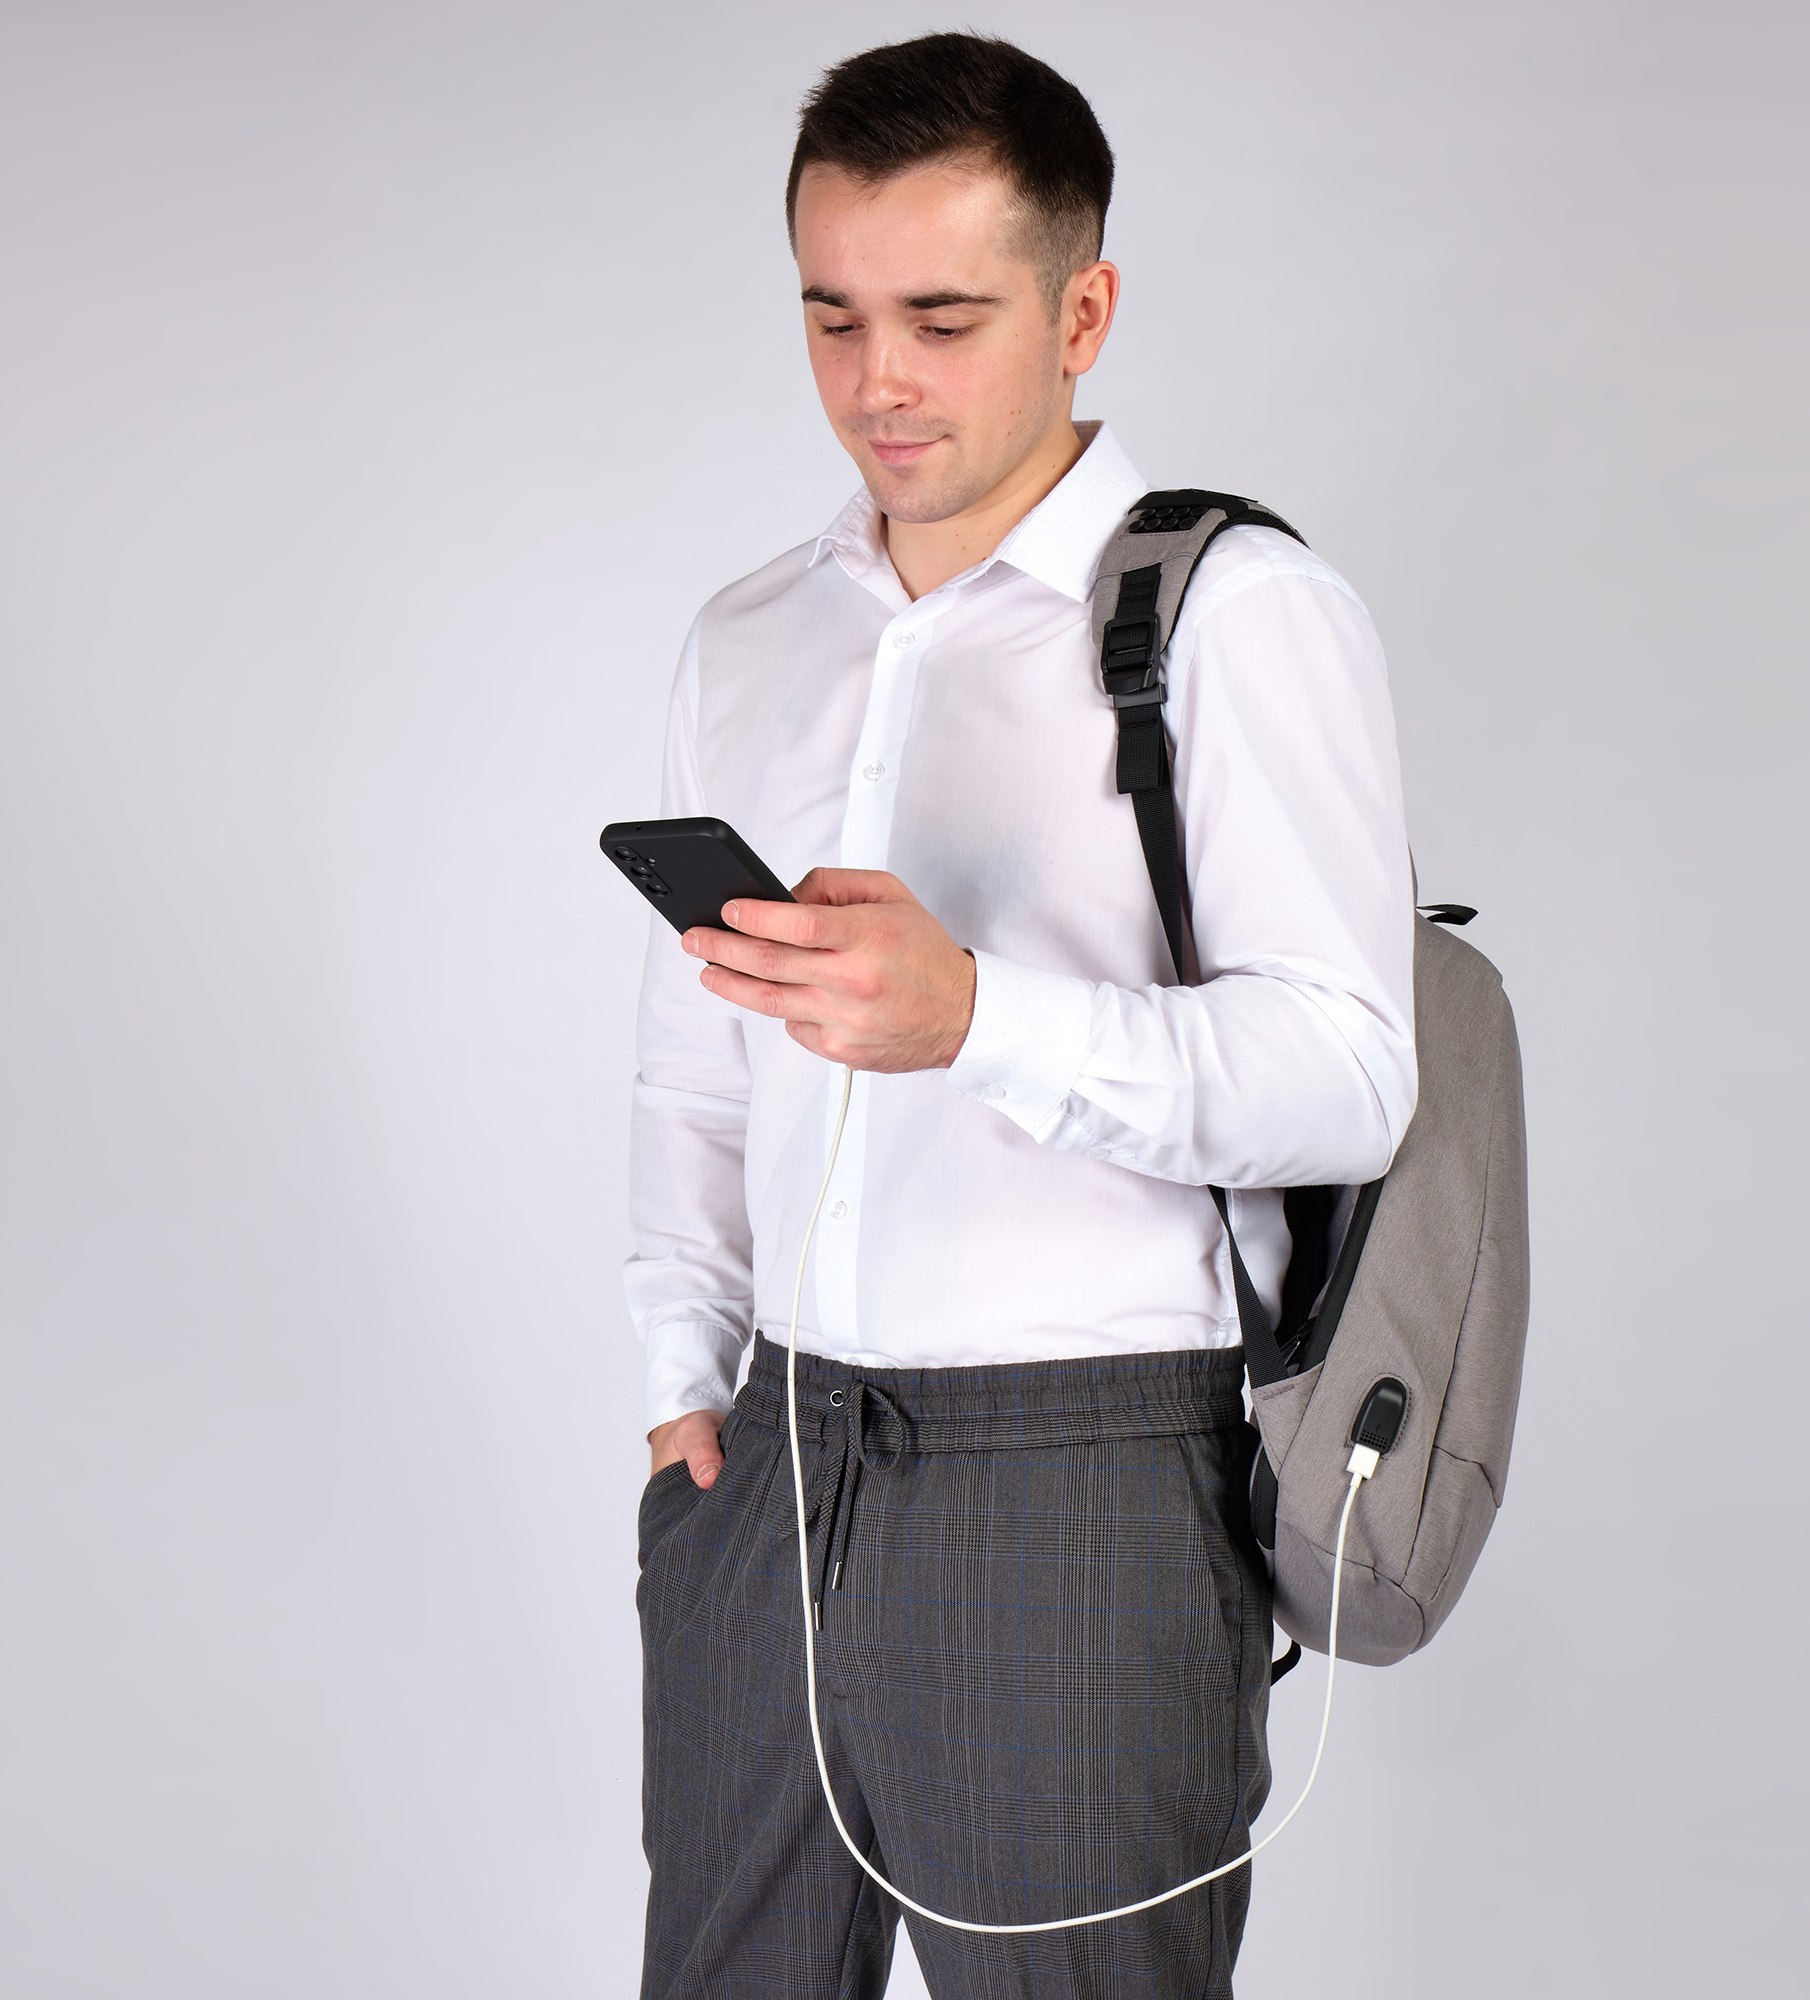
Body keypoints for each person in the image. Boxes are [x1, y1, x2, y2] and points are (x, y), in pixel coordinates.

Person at [623, 30, 1417, 1999]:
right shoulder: (750, 635)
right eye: (831, 316)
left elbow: (1348, 1073)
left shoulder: (1235, 615)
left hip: (1082, 1475)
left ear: (1083, 312)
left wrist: (977, 1016)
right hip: (763, 1471)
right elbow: (697, 1061)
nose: (877, 381)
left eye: (944, 319)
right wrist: (682, 1381)